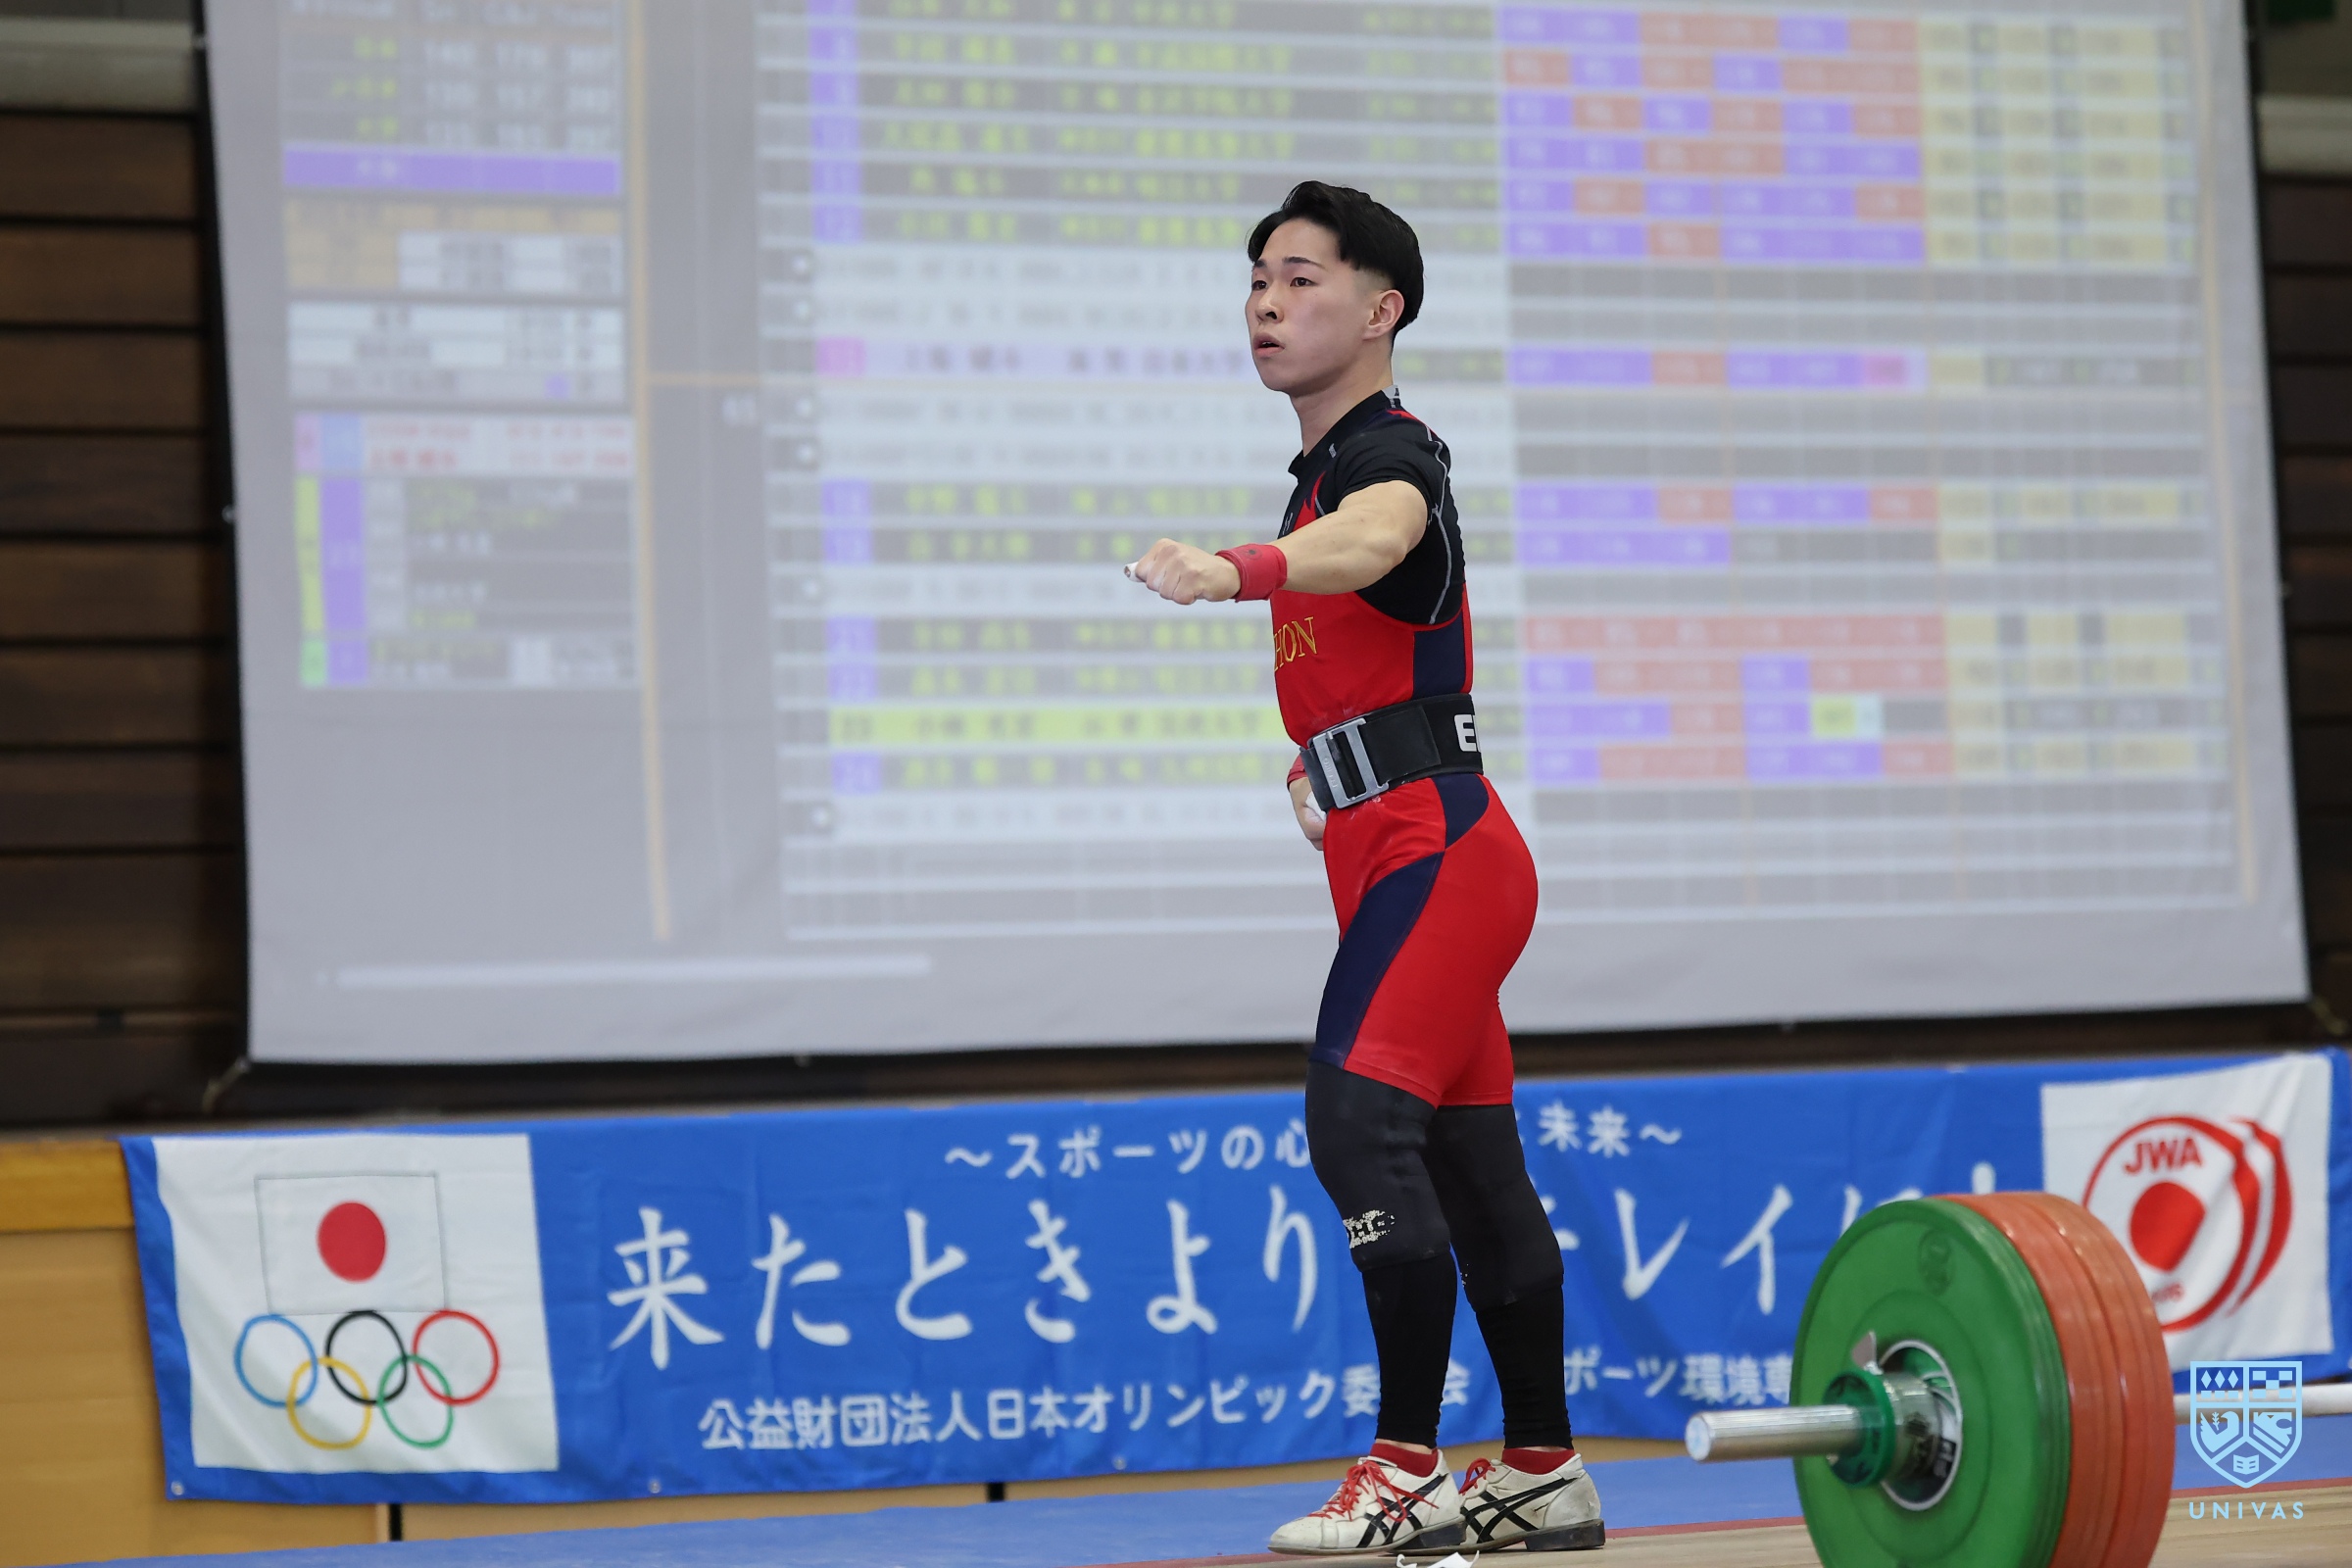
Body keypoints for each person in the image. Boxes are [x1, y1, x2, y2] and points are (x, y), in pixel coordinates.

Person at [1125, 181, 1605, 1555]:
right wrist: (1322, 770)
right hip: (1409, 845)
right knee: (1471, 1161)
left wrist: (1239, 567)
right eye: (1256, 282)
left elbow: (1379, 540)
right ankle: (1543, 1471)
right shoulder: (1321, 470)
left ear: (1382, 308)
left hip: (1441, 855)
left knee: (1355, 1128)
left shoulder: (1389, 454)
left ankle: (1405, 1469)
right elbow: (1377, 651)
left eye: (1301, 279)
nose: (1265, 304)